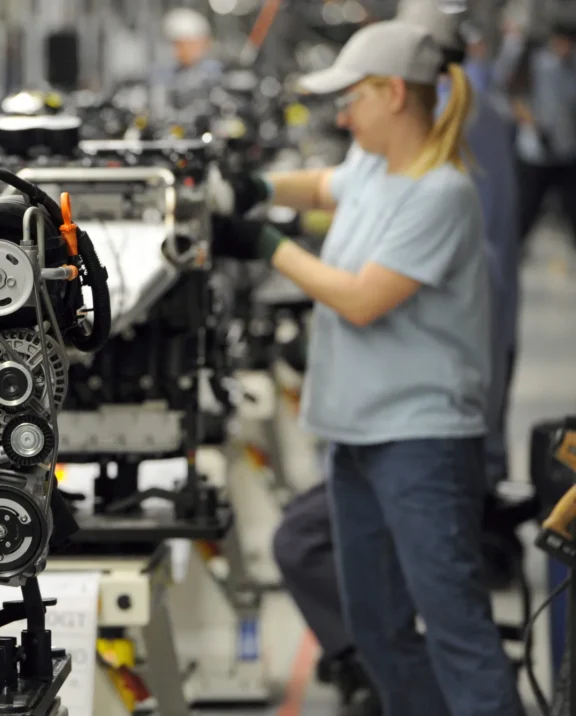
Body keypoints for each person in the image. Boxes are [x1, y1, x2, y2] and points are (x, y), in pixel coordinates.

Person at [215, 19, 525, 716]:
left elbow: (361, 301)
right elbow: (322, 186)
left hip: (423, 443)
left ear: (392, 95)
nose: (339, 112)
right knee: (377, 633)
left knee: (456, 631)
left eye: (350, 97)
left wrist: (260, 240)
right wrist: (250, 186)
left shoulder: (442, 194)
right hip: (355, 435)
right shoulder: (373, 169)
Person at [495, 4, 576, 249]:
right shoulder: (533, 62)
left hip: (566, 153)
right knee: (523, 215)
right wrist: (532, 124)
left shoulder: (571, 69)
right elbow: (511, 96)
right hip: (534, 153)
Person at [153, 8, 224, 122]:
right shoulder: (167, 74)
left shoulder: (215, 72)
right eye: (178, 45)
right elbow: (159, 106)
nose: (179, 51)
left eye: (184, 44)